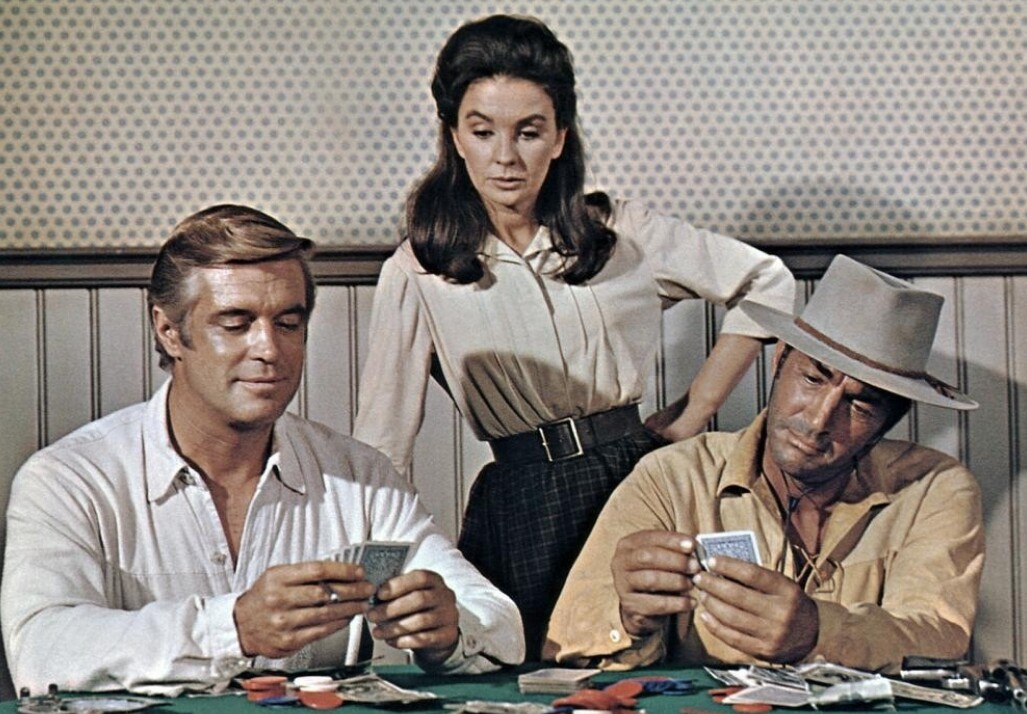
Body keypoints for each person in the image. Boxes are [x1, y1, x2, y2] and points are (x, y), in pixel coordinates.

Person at [352, 14, 795, 655]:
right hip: (522, 503)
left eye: (529, 132)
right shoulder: (418, 270)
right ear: (454, 136)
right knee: (532, 671)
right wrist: (362, 612)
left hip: (637, 480)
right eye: (483, 132)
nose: (506, 157)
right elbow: (381, 449)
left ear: (560, 137)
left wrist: (695, 411)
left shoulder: (619, 233)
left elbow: (767, 281)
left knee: (646, 663)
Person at [0, 205, 523, 696]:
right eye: (235, 323)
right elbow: (42, 651)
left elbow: (501, 625)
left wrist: (450, 629)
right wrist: (233, 629)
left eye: (288, 323)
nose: (269, 349)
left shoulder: (361, 477)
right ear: (169, 331)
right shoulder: (68, 480)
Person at [544, 254, 983, 673]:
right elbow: (564, 646)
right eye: (813, 378)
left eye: (860, 405)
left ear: (892, 419)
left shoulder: (934, 488)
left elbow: (937, 640)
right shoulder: (672, 477)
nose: (818, 420)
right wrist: (627, 617)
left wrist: (817, 632)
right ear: (780, 359)